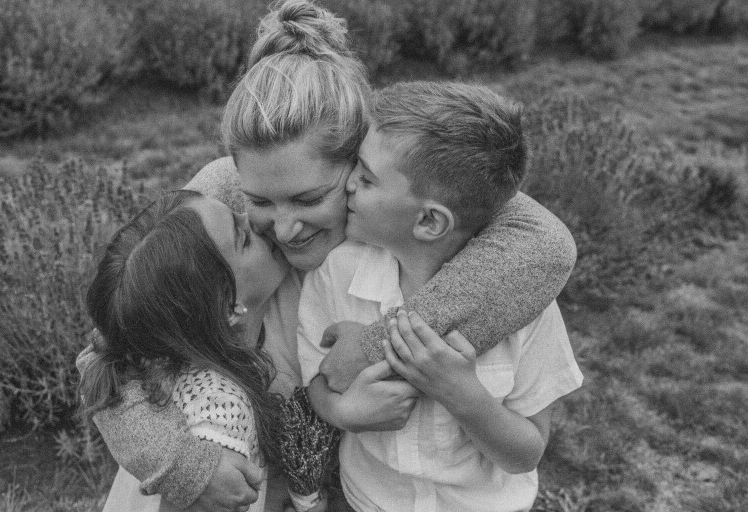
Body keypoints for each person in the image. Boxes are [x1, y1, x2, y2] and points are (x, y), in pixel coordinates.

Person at [77, 1, 578, 511]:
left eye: (311, 198)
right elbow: (110, 349)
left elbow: (546, 245)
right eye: (260, 202)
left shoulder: (398, 217)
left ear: (361, 162)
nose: (285, 227)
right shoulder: (222, 195)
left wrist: (371, 349)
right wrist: (181, 466)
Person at [298, 81, 584, 512]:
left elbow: (526, 453)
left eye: (367, 177)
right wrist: (340, 413)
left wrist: (461, 393)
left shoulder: (528, 304)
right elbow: (316, 383)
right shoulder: (338, 274)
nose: (348, 184)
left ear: (430, 221)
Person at [79, 190, 290, 512]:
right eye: (243, 239)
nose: (258, 221)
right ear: (226, 307)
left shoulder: (164, 360)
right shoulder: (221, 408)